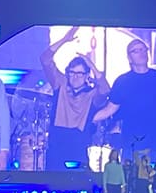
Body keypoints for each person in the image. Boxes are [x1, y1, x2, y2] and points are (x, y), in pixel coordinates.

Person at [92, 37, 156, 153]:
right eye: (136, 51)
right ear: (129, 57)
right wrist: (89, 120)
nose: (141, 53)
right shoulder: (123, 81)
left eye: (143, 49)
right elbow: (110, 109)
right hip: (131, 145)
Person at [40, 26, 107, 169]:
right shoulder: (61, 84)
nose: (76, 77)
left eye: (80, 73)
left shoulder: (91, 94)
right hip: (57, 143)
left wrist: (92, 66)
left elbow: (106, 91)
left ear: (87, 76)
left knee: (77, 186)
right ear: (68, 73)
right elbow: (45, 59)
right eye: (72, 72)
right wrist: (64, 39)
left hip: (79, 145)